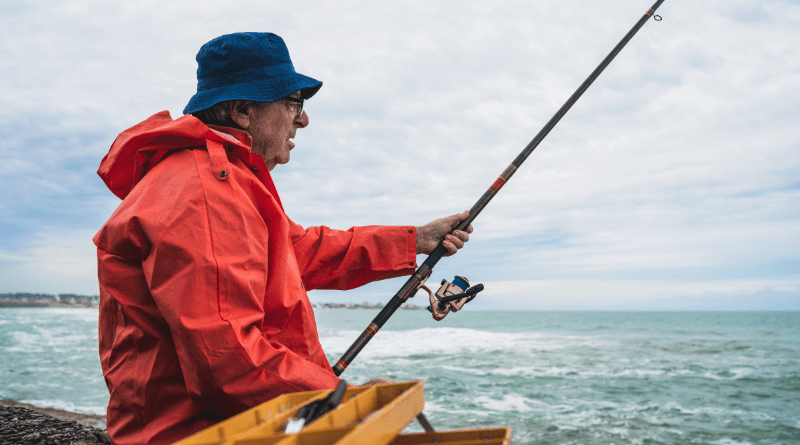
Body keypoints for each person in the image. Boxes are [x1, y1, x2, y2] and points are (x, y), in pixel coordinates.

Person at [93, 32, 473, 445]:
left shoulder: (217, 178)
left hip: (227, 424)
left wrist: (414, 239)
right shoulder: (204, 193)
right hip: (203, 433)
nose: (303, 119)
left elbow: (296, 252)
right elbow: (226, 362)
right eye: (293, 103)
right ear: (242, 111)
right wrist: (347, 401)